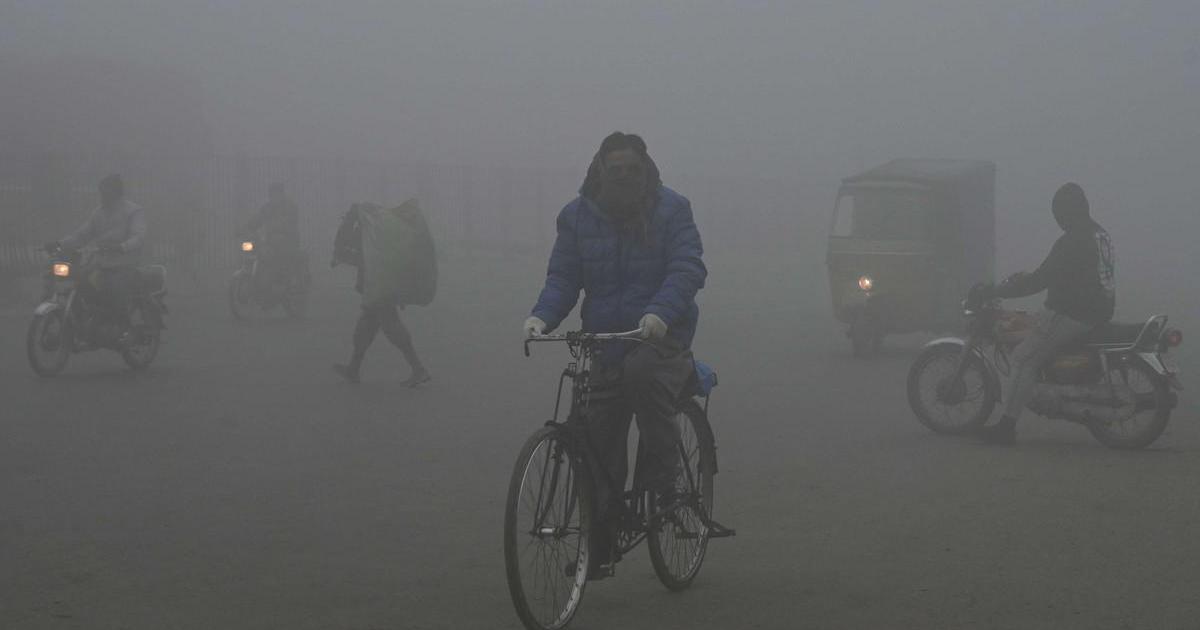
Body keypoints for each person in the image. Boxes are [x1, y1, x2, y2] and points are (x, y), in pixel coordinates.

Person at [523, 132, 707, 577]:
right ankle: (601, 542)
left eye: (631, 169)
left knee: (641, 375)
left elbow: (688, 267)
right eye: (615, 170)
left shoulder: (671, 209)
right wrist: (542, 317)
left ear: (645, 170)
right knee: (595, 437)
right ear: (600, 171)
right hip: (605, 339)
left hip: (660, 338)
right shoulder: (578, 217)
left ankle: (663, 478)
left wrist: (660, 313)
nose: (623, 177)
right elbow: (564, 276)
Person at [978, 182, 1115, 444]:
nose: (1058, 220)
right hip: (1099, 310)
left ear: (1069, 210)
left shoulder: (1072, 240)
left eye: (1059, 213)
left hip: (1073, 313)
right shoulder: (1100, 234)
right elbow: (1063, 273)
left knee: (1023, 357)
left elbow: (1040, 280)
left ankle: (1006, 427)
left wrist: (997, 291)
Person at [331, 204, 431, 386]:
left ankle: (418, 369)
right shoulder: (374, 234)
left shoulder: (367, 235)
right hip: (379, 287)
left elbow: (343, 246)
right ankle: (353, 369)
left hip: (378, 289)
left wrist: (349, 220)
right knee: (365, 327)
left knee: (391, 326)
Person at [50, 174, 146, 341]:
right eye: (101, 192)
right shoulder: (99, 213)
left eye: (106, 192)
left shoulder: (133, 211)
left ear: (116, 193)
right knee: (80, 281)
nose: (102, 196)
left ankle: (124, 330)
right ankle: (91, 321)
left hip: (125, 265)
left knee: (114, 290)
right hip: (101, 264)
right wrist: (59, 244)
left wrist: (121, 247)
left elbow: (138, 237)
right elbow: (81, 235)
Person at [243, 182, 301, 291]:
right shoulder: (267, 208)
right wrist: (244, 228)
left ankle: (283, 283)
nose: (274, 197)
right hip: (270, 241)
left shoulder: (290, 207)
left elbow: (291, 222)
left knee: (279, 257)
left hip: (289, 240)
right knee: (259, 251)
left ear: (282, 194)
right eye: (272, 194)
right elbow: (257, 219)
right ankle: (263, 280)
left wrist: (280, 229)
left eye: (277, 193)